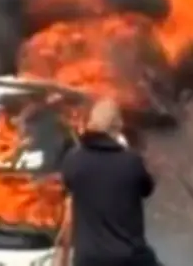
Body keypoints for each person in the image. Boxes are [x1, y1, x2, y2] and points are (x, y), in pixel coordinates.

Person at [56, 99, 160, 266]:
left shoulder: (73, 160)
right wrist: (125, 149)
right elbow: (147, 188)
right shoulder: (131, 162)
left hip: (88, 259)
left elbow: (68, 184)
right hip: (128, 258)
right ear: (117, 129)